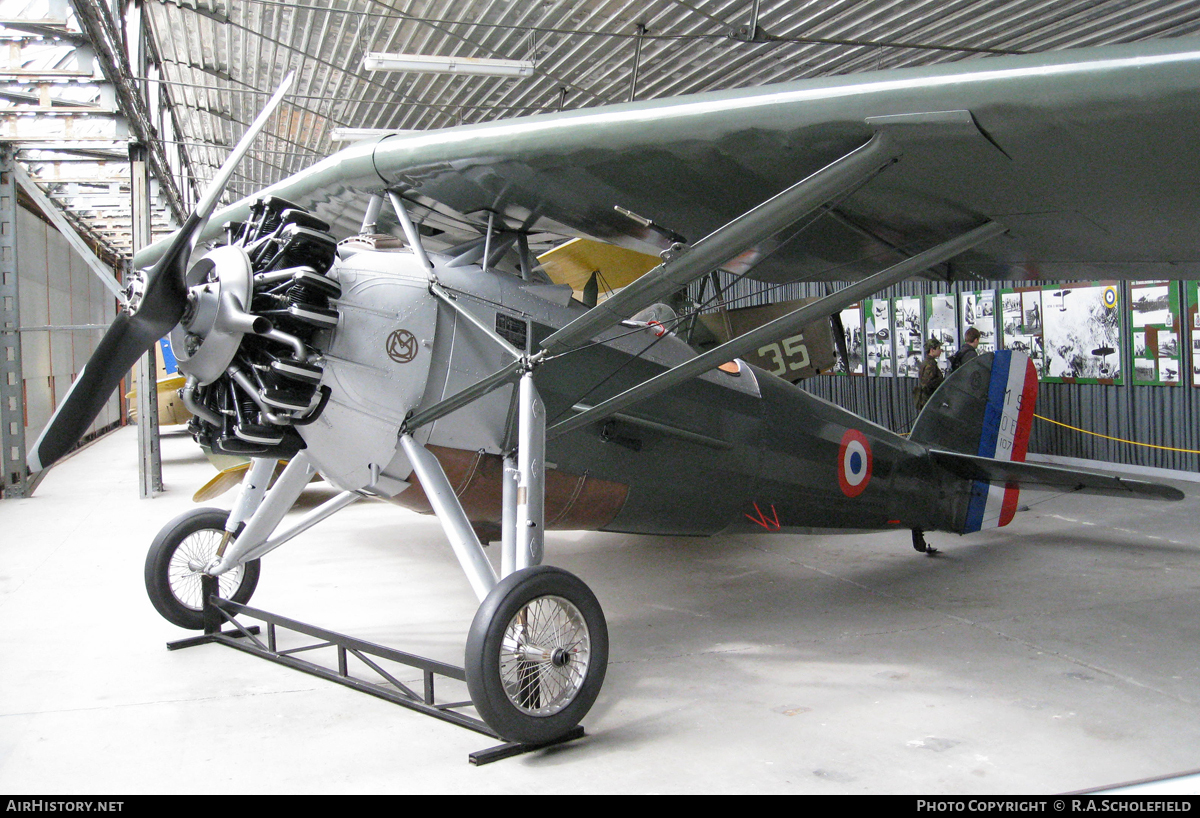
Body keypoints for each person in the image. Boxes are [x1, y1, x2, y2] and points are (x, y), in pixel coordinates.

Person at [914, 337, 944, 411]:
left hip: (927, 399)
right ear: (932, 350)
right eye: (938, 348)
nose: (940, 350)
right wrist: (941, 381)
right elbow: (927, 384)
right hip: (929, 400)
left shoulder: (927, 362)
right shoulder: (930, 364)